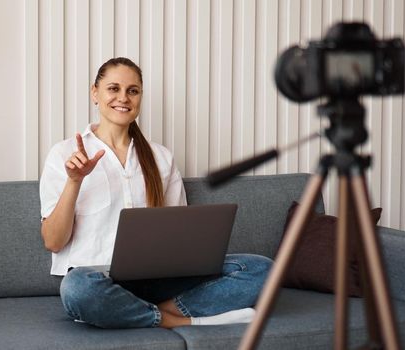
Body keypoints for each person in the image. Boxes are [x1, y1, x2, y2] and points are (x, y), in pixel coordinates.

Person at [39, 57, 272, 329]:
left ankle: (142, 313)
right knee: (77, 289)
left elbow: (180, 236)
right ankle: (185, 321)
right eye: (113, 88)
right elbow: (54, 242)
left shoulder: (161, 158)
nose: (123, 98)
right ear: (95, 93)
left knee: (263, 269)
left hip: (159, 278)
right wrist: (74, 181)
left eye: (132, 90)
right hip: (97, 279)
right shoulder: (64, 154)